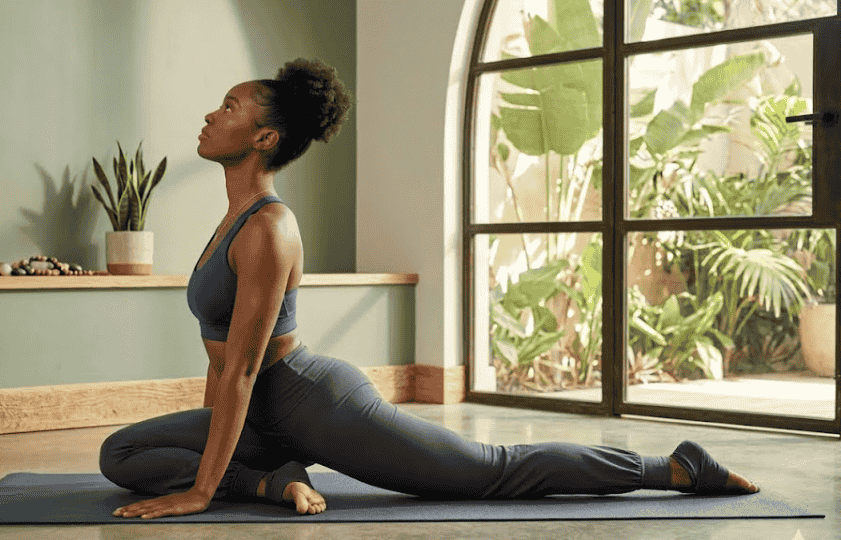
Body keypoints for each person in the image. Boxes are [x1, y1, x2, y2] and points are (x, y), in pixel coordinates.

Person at [100, 58, 760, 520]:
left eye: (230, 108)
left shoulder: (268, 230)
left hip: (311, 404)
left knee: (490, 471)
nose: (211, 115)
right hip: (262, 417)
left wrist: (201, 491)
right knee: (121, 452)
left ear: (264, 138)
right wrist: (229, 463)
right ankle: (276, 482)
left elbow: (242, 368)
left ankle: (669, 468)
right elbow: (219, 365)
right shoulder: (229, 221)